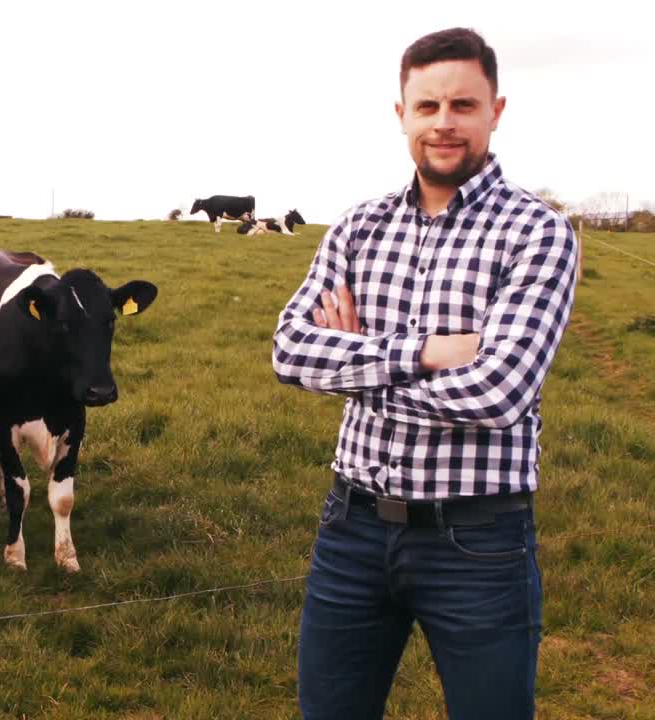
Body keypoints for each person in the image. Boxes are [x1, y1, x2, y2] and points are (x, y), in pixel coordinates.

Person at [271, 27, 578, 720]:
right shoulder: (358, 227)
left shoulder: (535, 232)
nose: (444, 123)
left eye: (463, 106)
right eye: (428, 106)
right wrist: (428, 352)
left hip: (477, 541)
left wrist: (351, 365)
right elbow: (289, 351)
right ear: (402, 113)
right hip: (351, 526)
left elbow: (498, 391)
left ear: (495, 111)